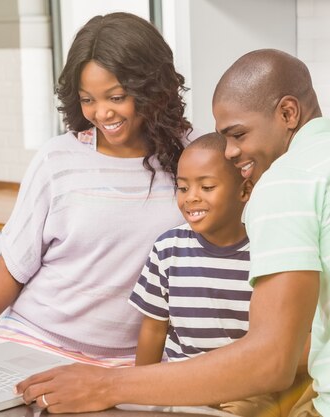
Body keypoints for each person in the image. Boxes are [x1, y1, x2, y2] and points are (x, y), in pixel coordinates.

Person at [16, 49, 330, 417]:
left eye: (238, 134)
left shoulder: (289, 179)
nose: (229, 152)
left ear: (288, 114)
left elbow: (269, 359)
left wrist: (106, 385)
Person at [0, 12, 193, 367]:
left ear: (150, 89)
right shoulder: (58, 159)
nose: (102, 113)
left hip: (136, 362)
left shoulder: (188, 158)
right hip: (38, 345)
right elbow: (15, 262)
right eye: (88, 100)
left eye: (116, 97)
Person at [129, 132, 280, 417]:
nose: (191, 198)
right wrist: (139, 390)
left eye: (207, 187)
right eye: (183, 188)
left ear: (245, 191)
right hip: (180, 382)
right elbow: (153, 328)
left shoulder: (267, 252)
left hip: (244, 388)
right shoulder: (167, 248)